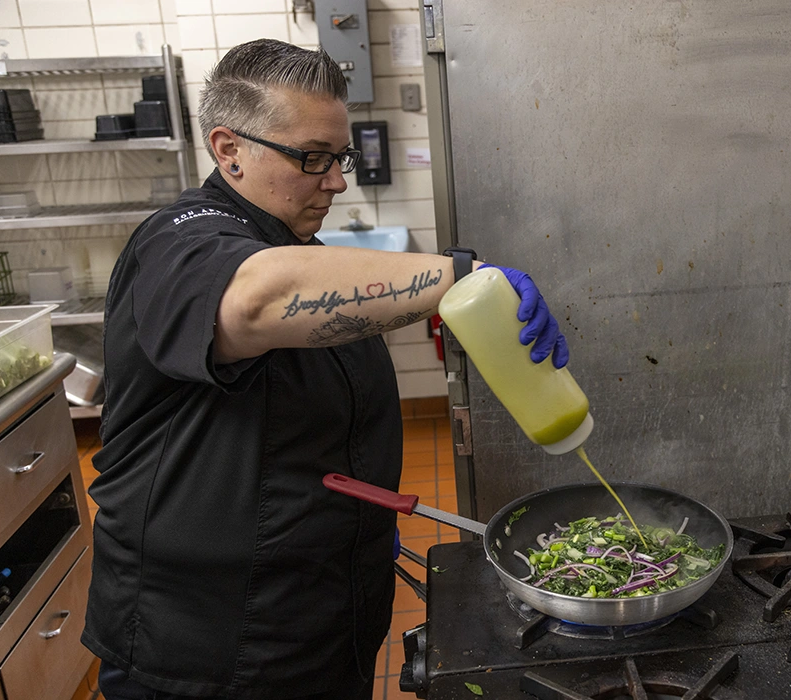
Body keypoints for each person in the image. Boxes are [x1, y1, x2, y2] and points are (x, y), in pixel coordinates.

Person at [81, 39, 569, 700]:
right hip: (210, 649)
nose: (336, 181)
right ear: (230, 150)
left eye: (338, 157)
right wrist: (459, 277)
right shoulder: (178, 243)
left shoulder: (293, 244)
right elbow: (255, 300)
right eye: (312, 158)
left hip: (320, 621)